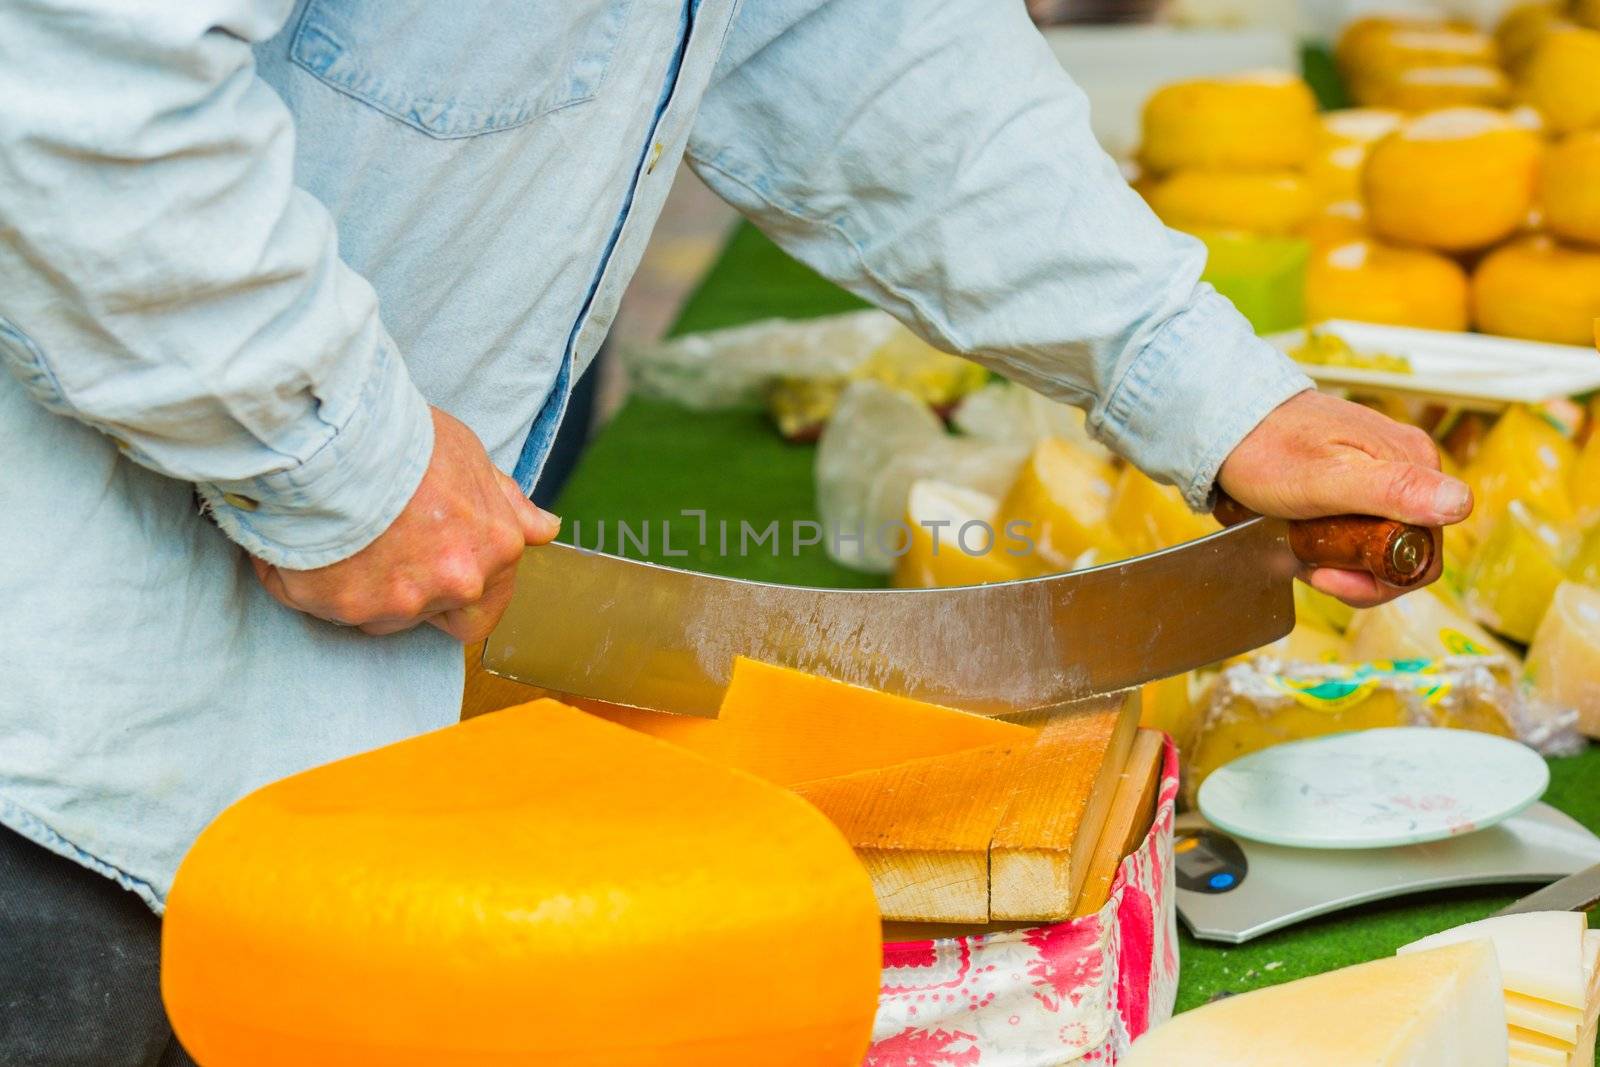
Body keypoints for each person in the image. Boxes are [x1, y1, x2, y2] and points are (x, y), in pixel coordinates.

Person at [0, 2, 1471, 1063]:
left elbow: (841, 33)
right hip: (58, 757)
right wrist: (336, 459)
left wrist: (1192, 381)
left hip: (328, 759)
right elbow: (70, 80)